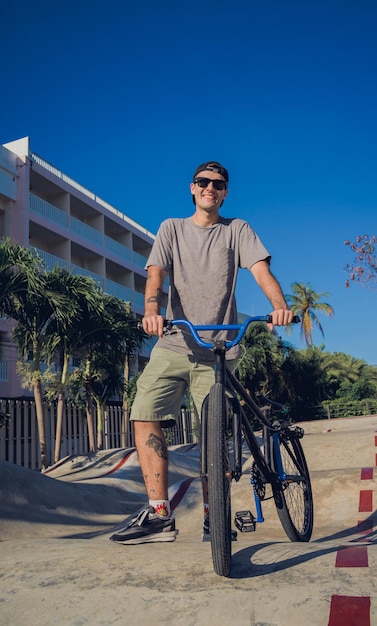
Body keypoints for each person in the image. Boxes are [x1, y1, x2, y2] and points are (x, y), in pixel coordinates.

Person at [110, 161, 293, 545]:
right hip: (175, 341)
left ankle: (216, 516)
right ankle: (160, 515)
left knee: (214, 434)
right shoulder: (171, 229)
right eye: (203, 182)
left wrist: (278, 305)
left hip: (219, 350)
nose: (210, 187)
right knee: (143, 413)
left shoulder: (237, 230)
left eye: (218, 183)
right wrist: (151, 310)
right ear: (192, 188)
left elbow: (260, 271)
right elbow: (156, 274)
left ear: (225, 192)